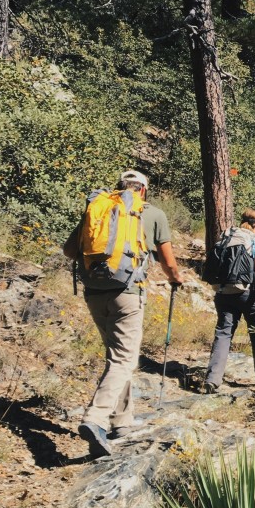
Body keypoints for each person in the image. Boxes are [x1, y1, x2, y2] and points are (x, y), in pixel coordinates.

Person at [62, 169, 184, 458]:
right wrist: (175, 277)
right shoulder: (150, 213)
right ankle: (97, 418)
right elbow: (167, 259)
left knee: (116, 356)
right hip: (127, 294)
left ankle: (122, 421)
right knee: (124, 359)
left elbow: (69, 251)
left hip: (94, 292)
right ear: (142, 190)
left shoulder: (99, 207)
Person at [203, 208, 255, 393]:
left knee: (223, 333)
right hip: (250, 293)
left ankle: (212, 378)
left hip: (224, 291)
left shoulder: (226, 237)